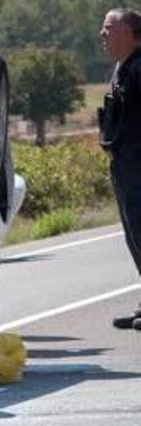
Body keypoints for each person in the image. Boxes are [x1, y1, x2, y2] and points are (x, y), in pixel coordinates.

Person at [99, 8, 141, 330]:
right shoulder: (122, 68)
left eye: (108, 28)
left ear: (128, 32)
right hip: (124, 163)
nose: (103, 34)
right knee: (134, 237)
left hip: (138, 163)